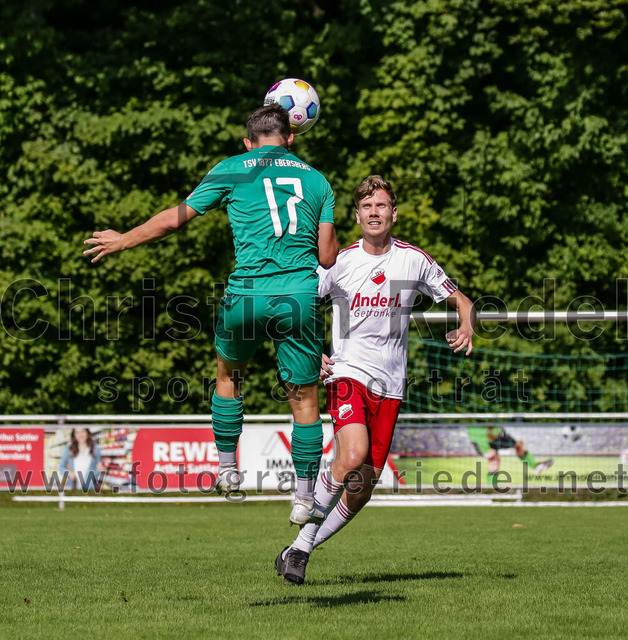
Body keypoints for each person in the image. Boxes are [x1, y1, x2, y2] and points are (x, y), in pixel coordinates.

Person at [83, 104, 339, 524]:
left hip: (246, 294)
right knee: (305, 399)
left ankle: (227, 470)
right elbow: (327, 257)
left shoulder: (233, 168)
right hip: (297, 296)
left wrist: (123, 239)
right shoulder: (317, 180)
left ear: (248, 142)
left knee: (229, 377)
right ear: (291, 137)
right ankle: (304, 499)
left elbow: (174, 220)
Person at [275, 174, 476, 585]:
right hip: (347, 373)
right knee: (351, 456)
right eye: (366, 207)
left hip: (391, 384)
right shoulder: (339, 262)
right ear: (356, 216)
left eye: (381, 205)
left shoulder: (413, 260)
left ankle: (299, 549)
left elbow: (462, 299)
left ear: (393, 213)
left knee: (363, 486)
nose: (373, 213)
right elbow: (297, 307)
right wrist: (313, 352)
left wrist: (467, 324)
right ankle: (301, 534)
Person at [467, 426, 554, 481]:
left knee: (519, 445)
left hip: (496, 434)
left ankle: (535, 466)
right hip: (480, 438)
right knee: (494, 461)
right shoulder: (476, 430)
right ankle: (492, 489)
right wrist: (486, 449)